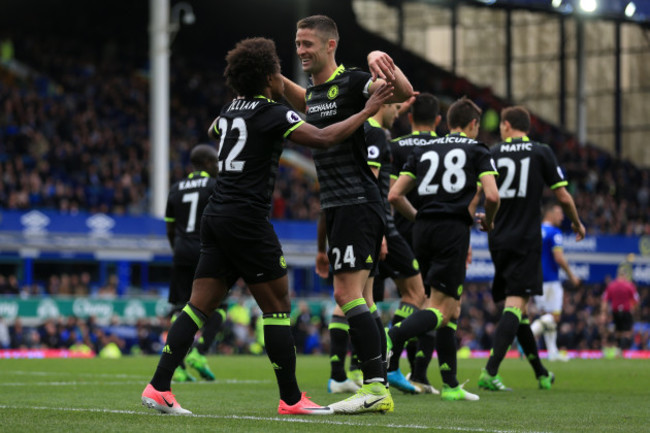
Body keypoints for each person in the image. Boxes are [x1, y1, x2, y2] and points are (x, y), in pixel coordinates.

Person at [140, 36, 394, 416]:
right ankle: (292, 399)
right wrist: (366, 110)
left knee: (197, 307)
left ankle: (159, 386)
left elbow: (214, 131)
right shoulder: (273, 113)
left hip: (217, 215)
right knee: (277, 306)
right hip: (247, 219)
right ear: (269, 78)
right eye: (275, 73)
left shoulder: (228, 112)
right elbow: (323, 138)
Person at [281, 15, 414, 414]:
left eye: (308, 44)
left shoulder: (355, 81)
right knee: (359, 300)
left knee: (347, 295)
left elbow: (400, 91)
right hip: (338, 206)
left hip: (359, 202)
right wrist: (266, 76)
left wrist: (380, 58)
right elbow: (301, 100)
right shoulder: (315, 93)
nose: (301, 50)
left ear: (329, 46)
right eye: (298, 43)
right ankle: (375, 380)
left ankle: (375, 385)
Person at [387, 97, 500, 401]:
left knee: (446, 306)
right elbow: (492, 196)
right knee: (442, 308)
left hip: (422, 231)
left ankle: (449, 384)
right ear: (474, 124)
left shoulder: (423, 149)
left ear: (448, 122)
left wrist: (421, 216)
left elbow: (395, 195)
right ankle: (393, 336)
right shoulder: (476, 149)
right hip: (452, 231)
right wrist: (487, 222)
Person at [478, 106, 585, 392]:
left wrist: (479, 219)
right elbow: (562, 195)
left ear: (508, 125)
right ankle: (490, 371)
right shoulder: (541, 152)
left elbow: (481, 193)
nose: (500, 128)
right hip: (526, 238)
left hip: (497, 237)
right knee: (516, 304)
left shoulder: (493, 152)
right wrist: (575, 222)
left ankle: (540, 372)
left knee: (520, 310)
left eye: (501, 124)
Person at [387, 92, 442, 393]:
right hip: (433, 231)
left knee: (410, 298)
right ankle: (416, 372)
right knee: (429, 301)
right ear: (437, 120)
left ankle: (395, 365)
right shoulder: (443, 149)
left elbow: (391, 191)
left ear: (409, 118)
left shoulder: (394, 146)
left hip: (399, 230)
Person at [164, 144, 225, 382]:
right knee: (218, 309)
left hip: (180, 252)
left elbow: (170, 228)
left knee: (181, 310)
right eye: (216, 163)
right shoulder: (213, 185)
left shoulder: (176, 188)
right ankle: (199, 353)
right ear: (208, 163)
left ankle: (177, 365)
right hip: (205, 252)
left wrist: (177, 249)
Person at [531, 203, 580, 362]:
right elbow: (559, 257)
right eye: (559, 213)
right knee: (555, 318)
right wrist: (572, 276)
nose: (562, 217)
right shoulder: (554, 232)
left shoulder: (535, 231)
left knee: (546, 316)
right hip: (551, 279)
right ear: (550, 214)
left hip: (537, 278)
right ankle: (528, 335)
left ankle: (552, 352)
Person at [601, 265, 639, 351]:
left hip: (615, 312)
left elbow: (604, 300)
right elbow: (636, 300)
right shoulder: (629, 286)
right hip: (626, 311)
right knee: (627, 333)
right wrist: (634, 310)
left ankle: (617, 349)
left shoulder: (611, 286)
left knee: (618, 332)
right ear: (625, 276)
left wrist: (603, 313)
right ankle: (622, 350)